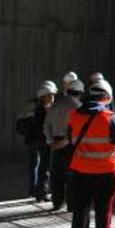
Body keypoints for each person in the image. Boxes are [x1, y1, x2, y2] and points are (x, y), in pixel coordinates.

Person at [67, 79, 115, 228]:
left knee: (80, 210)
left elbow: (70, 140)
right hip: (105, 174)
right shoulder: (108, 116)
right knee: (103, 212)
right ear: (107, 97)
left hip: (79, 172)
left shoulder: (74, 114)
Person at [45, 78, 84, 211]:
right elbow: (77, 129)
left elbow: (46, 125)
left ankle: (57, 203)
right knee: (72, 175)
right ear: (80, 92)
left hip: (55, 143)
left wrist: (51, 142)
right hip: (71, 145)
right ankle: (72, 205)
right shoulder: (79, 107)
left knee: (56, 175)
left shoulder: (55, 104)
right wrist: (66, 141)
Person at [17, 81, 57, 201]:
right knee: (44, 167)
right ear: (45, 95)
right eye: (51, 95)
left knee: (33, 165)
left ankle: (33, 190)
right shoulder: (46, 109)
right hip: (42, 141)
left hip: (30, 141)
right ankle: (42, 192)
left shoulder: (31, 106)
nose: (52, 97)